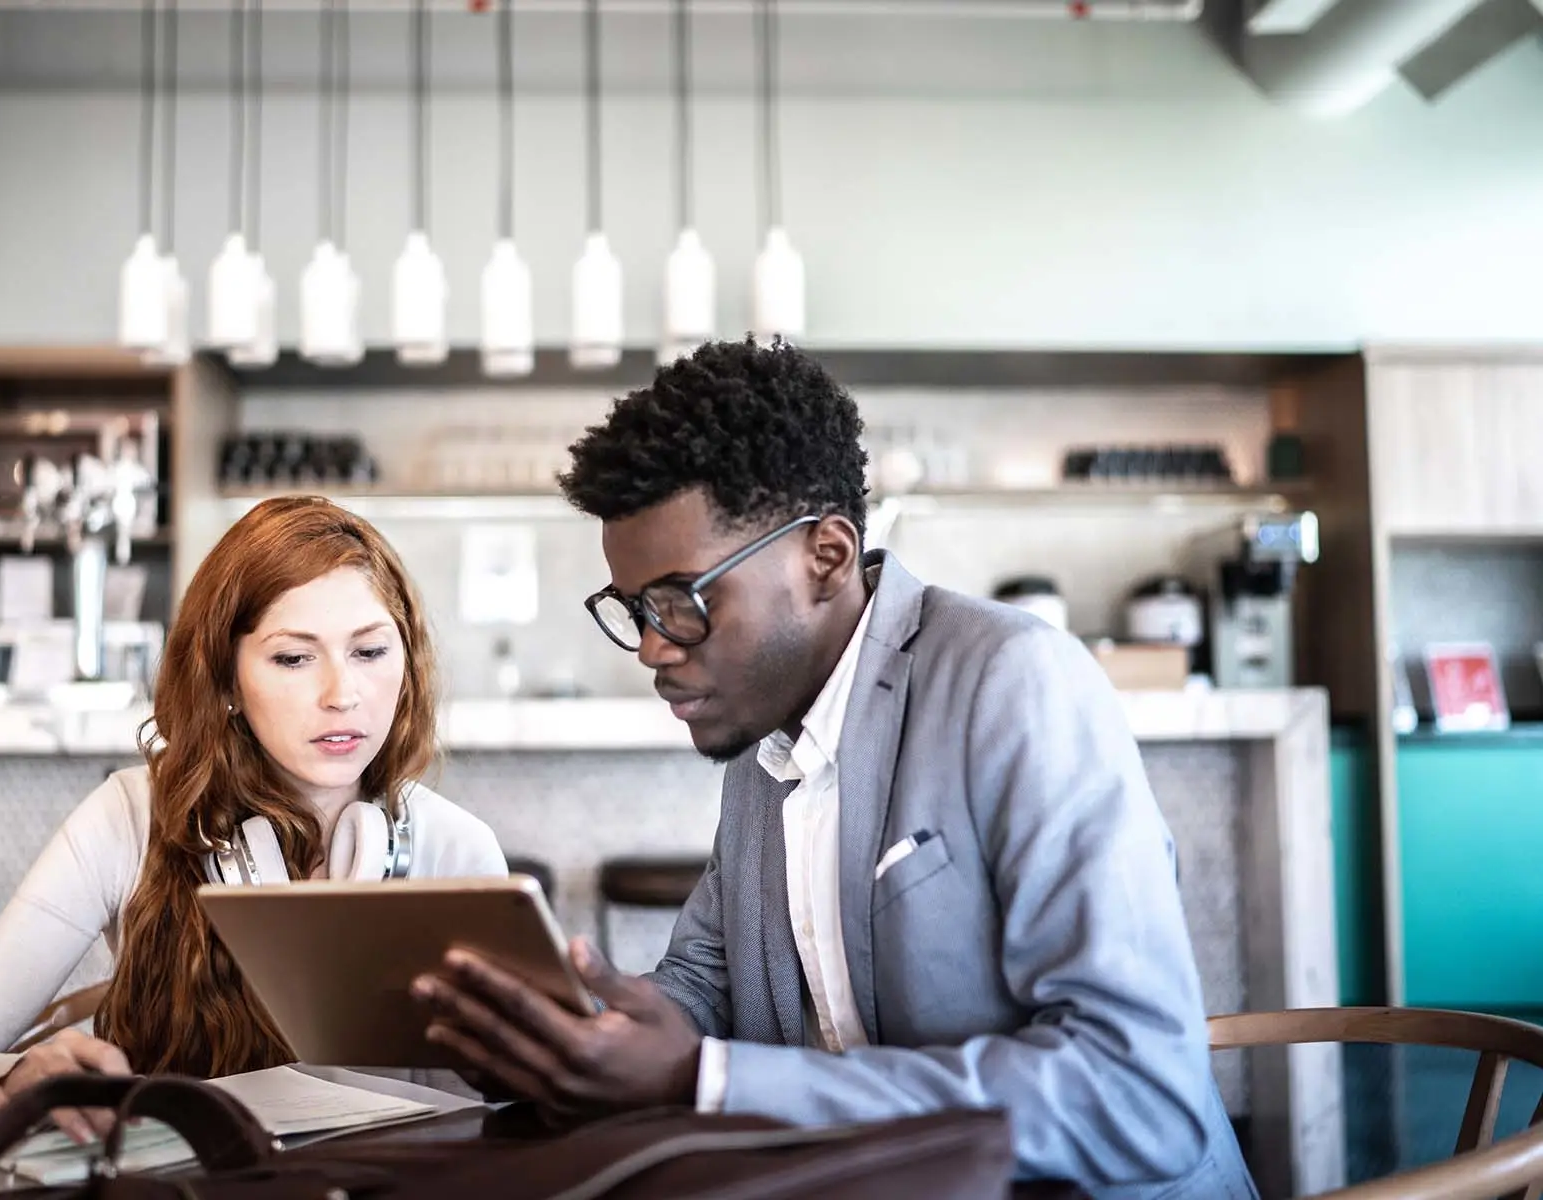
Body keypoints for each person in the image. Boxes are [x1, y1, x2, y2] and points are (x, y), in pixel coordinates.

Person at [412, 339, 1257, 1199]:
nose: (653, 647)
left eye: (683, 603)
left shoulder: (1014, 682)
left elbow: (1139, 1095)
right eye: (636, 609)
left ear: (826, 555)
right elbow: (703, 988)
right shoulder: (761, 740)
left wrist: (701, 1083)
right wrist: (571, 1039)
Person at [0, 496, 506, 1138]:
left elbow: (485, 1125)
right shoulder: (128, 818)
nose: (344, 695)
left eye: (369, 652)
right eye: (293, 657)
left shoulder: (456, 848)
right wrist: (7, 1082)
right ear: (225, 679)